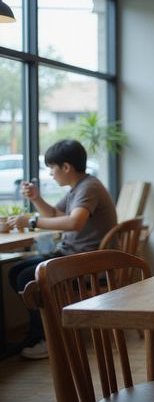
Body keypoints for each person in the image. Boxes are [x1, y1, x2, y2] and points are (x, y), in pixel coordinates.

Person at [8, 139, 117, 360]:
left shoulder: (89, 187)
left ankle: (47, 338)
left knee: (27, 278)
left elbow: (73, 223)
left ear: (66, 167)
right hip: (75, 257)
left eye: (52, 169)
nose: (51, 174)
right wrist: (36, 199)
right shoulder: (79, 187)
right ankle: (43, 333)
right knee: (16, 273)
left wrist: (31, 222)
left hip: (89, 266)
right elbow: (55, 215)